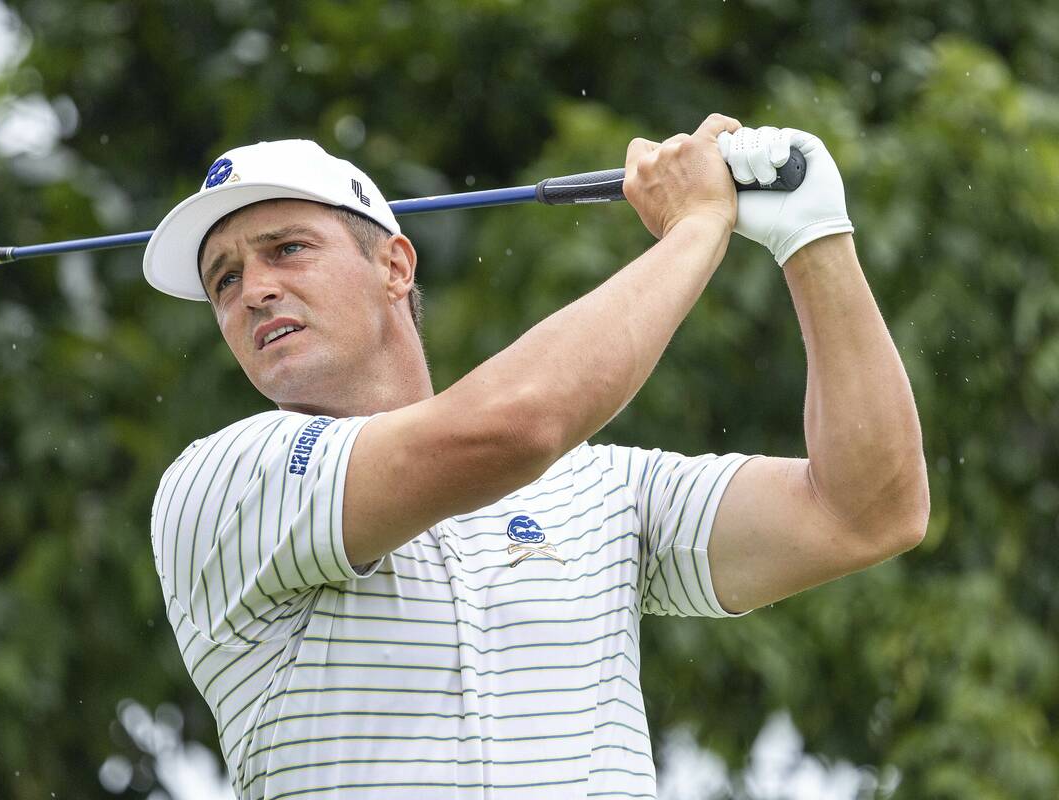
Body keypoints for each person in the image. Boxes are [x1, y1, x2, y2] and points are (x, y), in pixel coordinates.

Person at [142, 114, 928, 800]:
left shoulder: (600, 488)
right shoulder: (225, 484)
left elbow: (866, 512)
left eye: (286, 249)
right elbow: (514, 427)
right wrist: (696, 227)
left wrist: (813, 238)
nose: (254, 290)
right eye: (226, 278)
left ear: (394, 266)